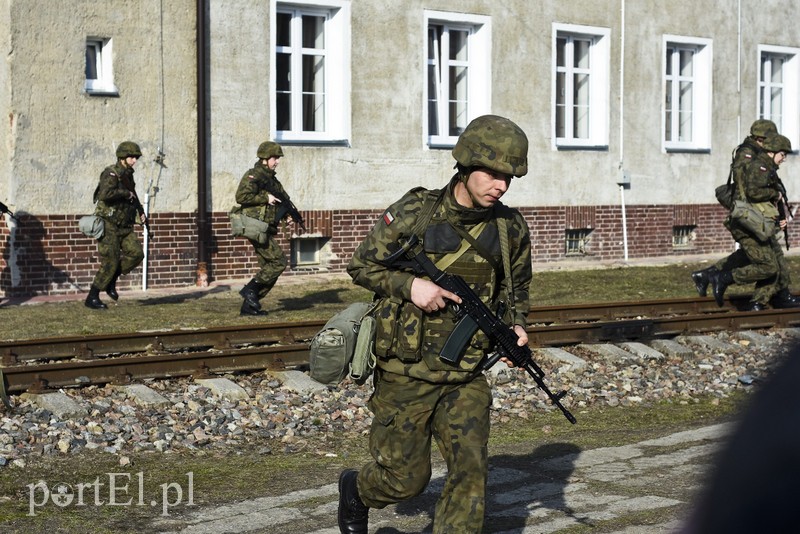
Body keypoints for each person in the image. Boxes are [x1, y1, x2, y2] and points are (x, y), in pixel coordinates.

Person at [339, 115, 532, 534]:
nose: (500, 185)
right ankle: (357, 490)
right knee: (405, 480)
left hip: (466, 374)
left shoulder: (509, 227)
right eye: (493, 174)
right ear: (464, 166)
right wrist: (410, 286)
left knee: (471, 473)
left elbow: (516, 289)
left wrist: (516, 325)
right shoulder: (416, 212)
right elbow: (361, 265)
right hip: (406, 372)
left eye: (508, 177)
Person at [707, 132, 800, 310]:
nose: (784, 159)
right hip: (750, 223)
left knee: (774, 263)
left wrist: (779, 217)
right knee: (769, 266)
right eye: (783, 155)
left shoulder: (766, 167)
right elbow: (753, 193)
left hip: (761, 222)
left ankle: (759, 302)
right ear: (772, 152)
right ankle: (722, 278)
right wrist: (776, 194)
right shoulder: (761, 167)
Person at [691, 119, 777, 297]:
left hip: (754, 212)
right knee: (767, 261)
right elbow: (747, 187)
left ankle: (707, 274)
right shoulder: (748, 153)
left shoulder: (752, 152)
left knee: (751, 254)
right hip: (750, 213)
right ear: (762, 138)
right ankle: (721, 278)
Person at [85, 141, 147, 309]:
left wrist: (140, 212)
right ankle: (92, 297)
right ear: (122, 157)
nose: (134, 160)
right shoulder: (110, 173)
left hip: (125, 225)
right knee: (110, 260)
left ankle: (111, 279)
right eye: (131, 157)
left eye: (136, 157)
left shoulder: (128, 175)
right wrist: (124, 193)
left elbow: (133, 195)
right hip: (109, 224)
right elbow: (104, 194)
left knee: (136, 254)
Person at [233, 141, 292, 316]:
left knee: (269, 266)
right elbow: (241, 196)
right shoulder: (254, 175)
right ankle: (250, 290)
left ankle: (249, 305)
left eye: (278, 158)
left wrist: (286, 215)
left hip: (265, 227)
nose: (277, 162)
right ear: (265, 158)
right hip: (255, 226)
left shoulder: (272, 180)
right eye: (275, 158)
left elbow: (281, 201)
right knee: (278, 262)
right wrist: (265, 197)